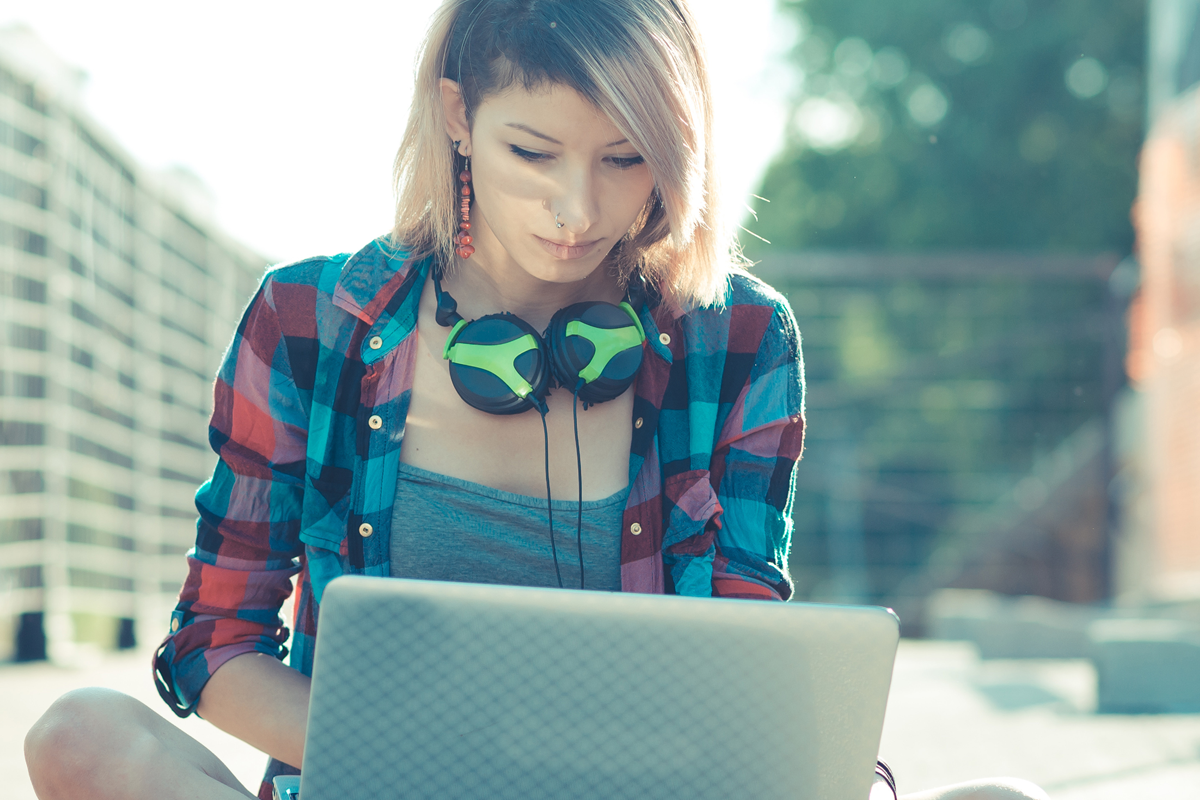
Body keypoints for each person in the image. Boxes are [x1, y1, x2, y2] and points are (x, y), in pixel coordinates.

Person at [24, 2, 1049, 799]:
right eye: (533, 153)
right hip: (384, 791)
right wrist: (443, 767)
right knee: (80, 734)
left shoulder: (737, 337)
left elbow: (740, 659)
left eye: (626, 159)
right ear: (458, 116)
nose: (577, 209)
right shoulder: (311, 319)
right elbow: (216, 644)